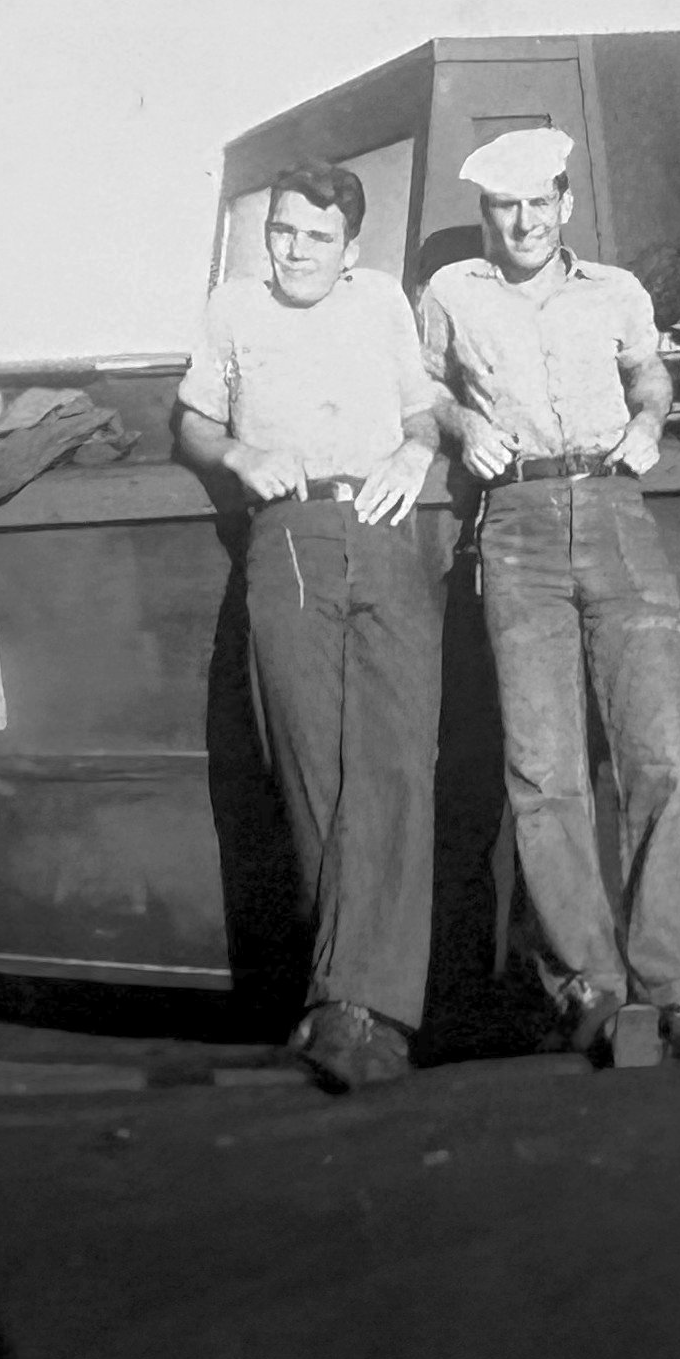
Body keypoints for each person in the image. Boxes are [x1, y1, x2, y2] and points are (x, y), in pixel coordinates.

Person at [418, 128, 680, 1060]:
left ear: (563, 204)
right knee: (542, 768)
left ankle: (677, 992)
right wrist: (460, 422)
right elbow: (418, 388)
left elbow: (648, 371)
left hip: (614, 508)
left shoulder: (616, 290)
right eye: (503, 206)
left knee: (657, 756)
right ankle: (586, 986)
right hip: (514, 526)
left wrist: (648, 419)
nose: (522, 222)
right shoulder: (450, 292)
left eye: (537, 203)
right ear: (486, 213)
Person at [177, 158, 444, 1090]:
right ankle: (357, 1011)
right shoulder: (232, 310)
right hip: (286, 534)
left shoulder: (381, 303)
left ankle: (355, 1008)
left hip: (381, 528)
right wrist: (238, 454)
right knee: (311, 764)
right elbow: (193, 424)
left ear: (351, 248)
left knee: (397, 762)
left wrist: (413, 454)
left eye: (316, 238)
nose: (293, 251)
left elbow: (423, 414)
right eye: (282, 231)